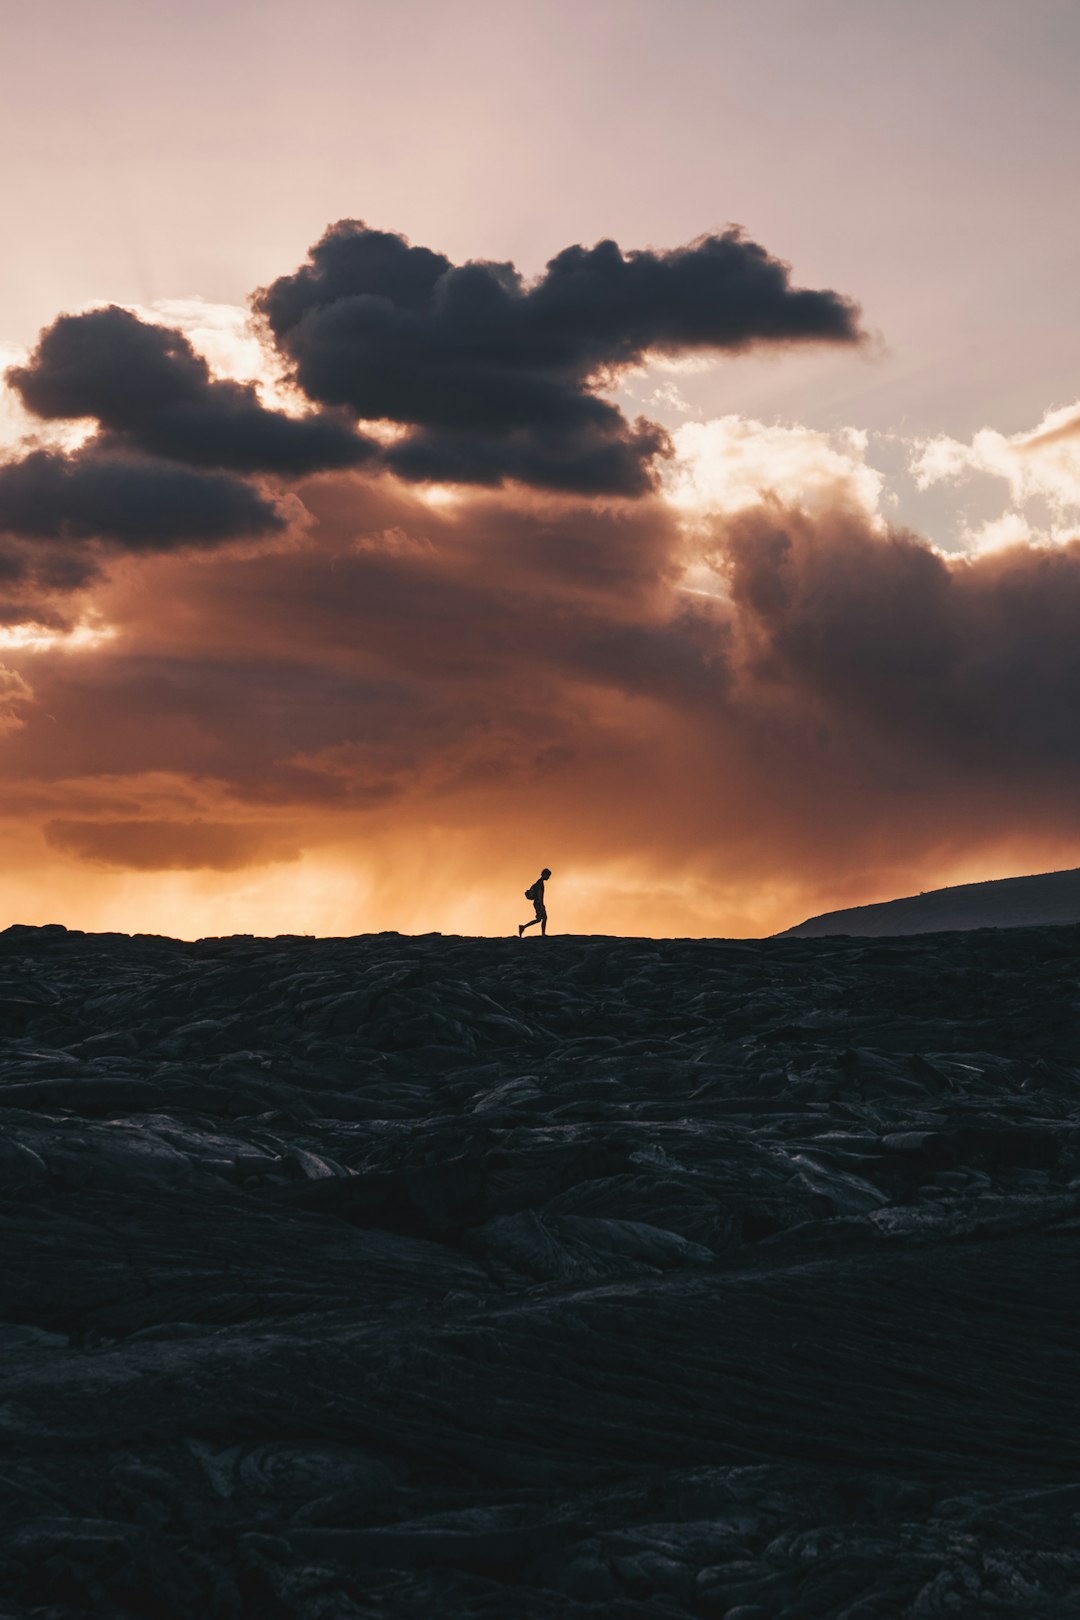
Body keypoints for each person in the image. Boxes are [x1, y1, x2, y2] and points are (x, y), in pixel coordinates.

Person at [518, 868, 552, 937]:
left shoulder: (539, 882)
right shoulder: (540, 883)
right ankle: (543, 934)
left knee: (539, 919)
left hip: (537, 902)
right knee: (543, 918)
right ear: (545, 874)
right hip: (538, 903)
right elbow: (539, 895)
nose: (548, 877)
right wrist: (542, 904)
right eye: (548, 876)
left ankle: (523, 927)